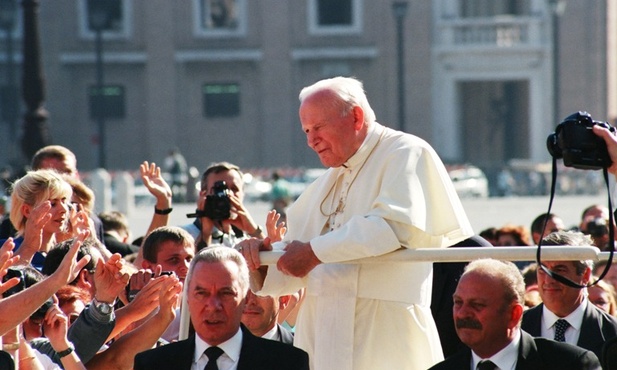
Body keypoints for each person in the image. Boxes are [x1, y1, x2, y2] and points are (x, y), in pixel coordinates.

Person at [238, 76, 473, 370]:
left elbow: (393, 227)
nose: (311, 140)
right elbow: (297, 262)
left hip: (383, 329)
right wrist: (261, 259)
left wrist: (312, 252)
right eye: (307, 131)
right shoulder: (327, 181)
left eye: (318, 127)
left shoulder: (405, 152)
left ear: (356, 117)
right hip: (322, 333)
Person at [133, 246, 309, 370]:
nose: (213, 306)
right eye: (202, 293)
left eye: (225, 293)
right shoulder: (153, 364)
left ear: (244, 298)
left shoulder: (287, 363)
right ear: (187, 298)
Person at [428, 258, 601, 370]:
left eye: (477, 305)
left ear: (514, 313)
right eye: (458, 303)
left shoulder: (571, 364)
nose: (463, 313)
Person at [521, 231, 617, 362]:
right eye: (542, 270)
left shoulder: (612, 333)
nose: (548, 280)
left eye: (560, 270)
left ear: (585, 275)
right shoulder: (515, 328)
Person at [182, 162, 264, 249]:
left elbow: (273, 260)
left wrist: (254, 231)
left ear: (243, 194)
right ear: (203, 194)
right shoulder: (184, 236)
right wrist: (205, 233)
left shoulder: (246, 239)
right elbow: (195, 262)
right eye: (219, 189)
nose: (228, 194)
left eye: (234, 189)